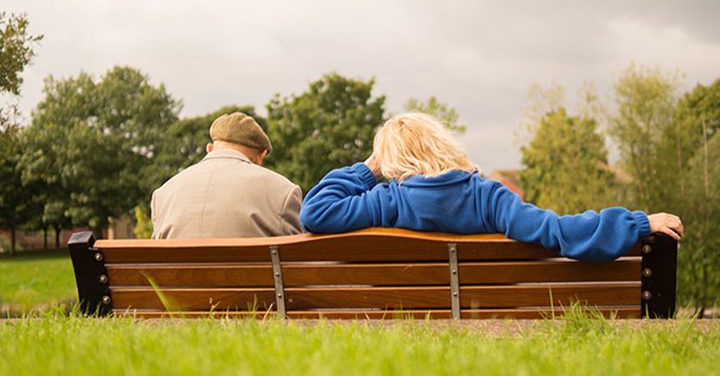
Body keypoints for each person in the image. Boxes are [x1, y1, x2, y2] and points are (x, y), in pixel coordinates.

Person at [300, 112, 684, 262]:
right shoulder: (488, 197)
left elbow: (315, 212)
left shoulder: (386, 201)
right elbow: (556, 231)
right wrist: (636, 223)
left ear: (393, 162)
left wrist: (369, 169)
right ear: (442, 145)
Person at [151, 112, 302, 239]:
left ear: (210, 148)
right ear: (260, 155)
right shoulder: (284, 192)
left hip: (176, 276)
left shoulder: (163, 194)